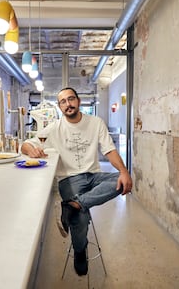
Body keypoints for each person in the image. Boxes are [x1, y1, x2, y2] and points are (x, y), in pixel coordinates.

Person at [21, 87, 133, 276]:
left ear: (78, 101)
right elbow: (27, 143)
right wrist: (30, 149)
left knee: (123, 179)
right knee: (80, 217)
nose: (68, 104)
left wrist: (123, 171)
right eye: (63, 102)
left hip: (94, 175)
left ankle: (74, 205)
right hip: (69, 179)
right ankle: (80, 251)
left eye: (71, 99)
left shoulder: (96, 122)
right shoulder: (55, 127)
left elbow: (109, 151)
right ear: (59, 107)